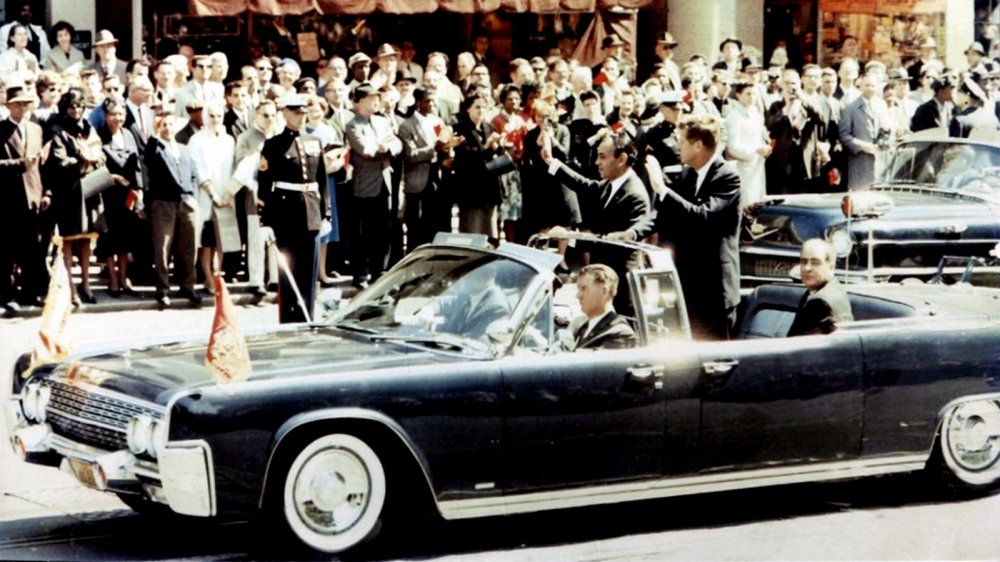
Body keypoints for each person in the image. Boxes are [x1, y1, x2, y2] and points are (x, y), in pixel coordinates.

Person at [645, 114, 741, 341]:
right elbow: (670, 215)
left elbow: (703, 216)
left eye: (682, 142)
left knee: (716, 355)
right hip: (689, 284)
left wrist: (662, 189)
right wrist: (629, 233)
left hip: (715, 288)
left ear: (698, 145)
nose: (678, 147)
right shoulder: (688, 174)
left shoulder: (727, 176)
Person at [258, 94, 330, 323]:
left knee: (309, 271)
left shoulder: (314, 142)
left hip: (311, 213)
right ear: (285, 113)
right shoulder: (273, 145)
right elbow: (264, 186)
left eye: (303, 113)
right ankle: (288, 319)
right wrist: (266, 221)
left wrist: (326, 213)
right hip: (285, 213)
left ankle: (307, 317)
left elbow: (322, 181)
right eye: (296, 113)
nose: (301, 117)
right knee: (287, 270)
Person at [46, 89, 108, 307]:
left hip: (90, 187)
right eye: (72, 106)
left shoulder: (89, 127)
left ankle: (86, 283)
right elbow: (60, 160)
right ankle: (70, 287)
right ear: (65, 108)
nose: (76, 110)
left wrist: (95, 158)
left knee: (86, 238)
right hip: (69, 191)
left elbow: (101, 154)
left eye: (80, 106)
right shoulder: (58, 129)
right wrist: (83, 159)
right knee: (69, 239)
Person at [541, 131, 653, 243]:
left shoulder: (636, 197)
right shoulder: (610, 184)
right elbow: (583, 184)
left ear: (622, 159)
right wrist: (550, 161)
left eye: (602, 157)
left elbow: (620, 242)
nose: (596, 162)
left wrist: (570, 235)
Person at [145, 111, 204, 307]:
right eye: (164, 125)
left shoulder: (184, 149)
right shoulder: (156, 147)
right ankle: (162, 289)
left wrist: (193, 196)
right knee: (163, 247)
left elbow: (193, 174)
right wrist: (154, 135)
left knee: (187, 246)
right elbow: (149, 158)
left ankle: (188, 285)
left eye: (171, 124)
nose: (168, 128)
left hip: (186, 202)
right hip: (164, 203)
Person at [0, 86, 51, 311]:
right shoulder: (1, 129)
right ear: (8, 106)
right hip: (8, 198)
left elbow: (44, 166)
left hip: (33, 196)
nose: (22, 107)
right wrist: (20, 164)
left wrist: (47, 192)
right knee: (7, 250)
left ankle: (31, 292)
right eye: (17, 104)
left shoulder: (36, 129)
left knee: (32, 249)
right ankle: (7, 293)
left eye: (25, 103)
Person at [344, 83, 401, 288]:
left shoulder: (382, 121)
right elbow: (364, 149)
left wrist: (388, 147)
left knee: (382, 230)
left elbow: (397, 143)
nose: (376, 102)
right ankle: (360, 274)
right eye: (371, 98)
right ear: (359, 102)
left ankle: (379, 272)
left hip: (384, 182)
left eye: (377, 98)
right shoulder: (353, 125)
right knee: (363, 232)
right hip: (365, 184)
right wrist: (382, 147)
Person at [96, 96, 143, 297]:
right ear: (105, 115)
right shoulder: (98, 136)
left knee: (126, 238)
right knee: (110, 239)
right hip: (108, 193)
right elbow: (96, 167)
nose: (118, 118)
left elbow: (137, 164)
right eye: (113, 114)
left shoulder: (129, 134)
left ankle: (124, 279)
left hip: (127, 194)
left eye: (121, 114)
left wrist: (139, 189)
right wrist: (113, 178)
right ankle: (113, 280)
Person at [786, 238, 853, 336]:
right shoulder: (833, 288)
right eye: (804, 262)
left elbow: (798, 343)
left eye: (815, 263)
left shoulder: (819, 302)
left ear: (831, 267)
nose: (807, 268)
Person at [569, 264, 636, 350]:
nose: (578, 295)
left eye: (584, 288)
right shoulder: (581, 326)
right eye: (579, 289)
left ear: (604, 291)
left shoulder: (620, 333)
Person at [839, 73, 884, 190]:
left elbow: (888, 128)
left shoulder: (881, 105)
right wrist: (862, 146)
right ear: (861, 86)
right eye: (867, 85)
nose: (870, 88)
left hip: (880, 160)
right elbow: (843, 135)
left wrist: (884, 141)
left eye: (873, 85)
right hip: (860, 161)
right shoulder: (851, 108)